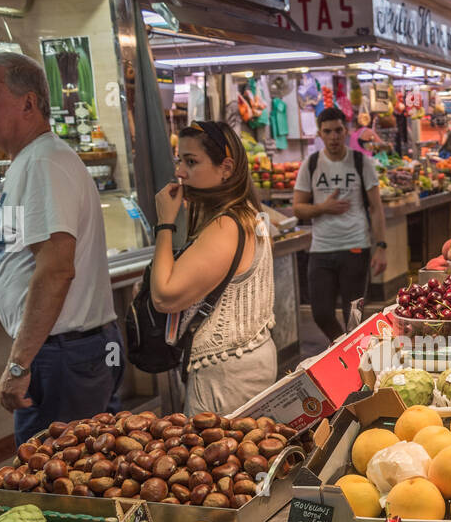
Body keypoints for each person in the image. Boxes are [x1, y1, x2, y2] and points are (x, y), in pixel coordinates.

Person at [0, 51, 120, 446]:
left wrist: (18, 366)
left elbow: (55, 270)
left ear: (29, 103)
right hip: (69, 352)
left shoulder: (43, 164)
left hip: (62, 357)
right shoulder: (35, 160)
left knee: (55, 484)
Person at [149, 121, 276, 415]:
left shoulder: (226, 225)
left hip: (225, 375)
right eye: (179, 160)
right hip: (243, 365)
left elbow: (164, 296)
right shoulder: (246, 214)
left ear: (226, 167)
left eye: (191, 162)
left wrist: (165, 223)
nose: (180, 172)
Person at [293, 107, 388, 343]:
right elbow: (298, 208)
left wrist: (382, 247)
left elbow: (376, 207)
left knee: (353, 316)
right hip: (321, 249)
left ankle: (351, 356)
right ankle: (343, 347)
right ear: (320, 134)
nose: (333, 136)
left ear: (345, 131)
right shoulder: (311, 164)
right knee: (321, 313)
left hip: (355, 247)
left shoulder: (360, 162)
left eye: (338, 131)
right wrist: (323, 208)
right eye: (327, 131)